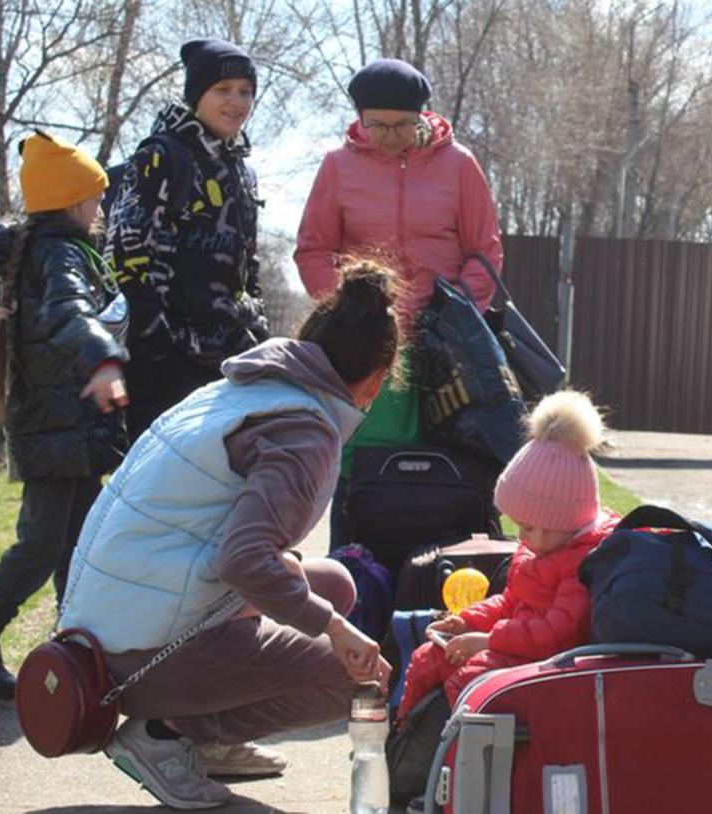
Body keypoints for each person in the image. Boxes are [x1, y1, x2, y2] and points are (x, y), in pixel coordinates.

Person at [59, 260, 398, 809]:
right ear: (377, 379)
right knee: (361, 682)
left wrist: (312, 601)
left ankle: (201, 734)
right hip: (133, 655)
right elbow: (242, 560)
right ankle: (166, 737)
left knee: (333, 582)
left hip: (103, 625)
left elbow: (223, 537)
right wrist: (335, 630)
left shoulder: (243, 390)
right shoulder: (305, 432)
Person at [294, 57, 503, 549]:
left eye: (402, 125)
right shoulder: (337, 166)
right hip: (369, 344)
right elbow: (314, 250)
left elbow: (485, 250)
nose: (389, 135)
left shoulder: (459, 165)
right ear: (359, 119)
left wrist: (455, 310)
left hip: (447, 346)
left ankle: (440, 578)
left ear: (422, 118)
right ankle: (354, 572)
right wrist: (348, 309)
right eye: (377, 125)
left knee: (447, 464)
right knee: (362, 468)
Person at [0, 131, 128, 700]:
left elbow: (38, 331)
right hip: (57, 430)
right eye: (95, 197)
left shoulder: (47, 250)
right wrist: (102, 358)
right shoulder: (61, 254)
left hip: (66, 428)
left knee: (77, 545)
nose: (100, 208)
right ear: (75, 202)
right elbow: (68, 311)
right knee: (41, 545)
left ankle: (75, 648)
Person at [396, 390, 621, 722]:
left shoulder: (581, 565)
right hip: (513, 647)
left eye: (528, 526)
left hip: (542, 663)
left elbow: (556, 635)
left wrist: (488, 640)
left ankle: (467, 767)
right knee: (427, 658)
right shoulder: (538, 549)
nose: (521, 536)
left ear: (559, 520)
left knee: (468, 681)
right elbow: (510, 600)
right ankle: (404, 743)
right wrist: (468, 620)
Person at [104, 37, 269, 443]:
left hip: (228, 354)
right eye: (223, 90)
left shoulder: (241, 171)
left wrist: (256, 325)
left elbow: (247, 263)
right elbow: (126, 250)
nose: (236, 102)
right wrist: (154, 337)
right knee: (162, 490)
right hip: (167, 359)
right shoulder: (163, 155)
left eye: (245, 92)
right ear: (197, 94)